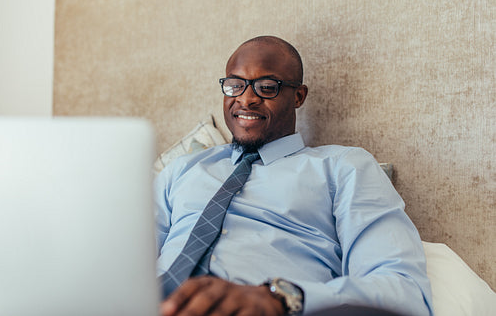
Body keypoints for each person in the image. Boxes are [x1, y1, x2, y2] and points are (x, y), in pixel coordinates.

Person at [155, 36, 433, 316]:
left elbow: (404, 292)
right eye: (235, 85)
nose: (246, 99)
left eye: (266, 87)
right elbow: (122, 257)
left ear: (298, 96)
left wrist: (278, 297)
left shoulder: (344, 166)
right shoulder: (182, 169)